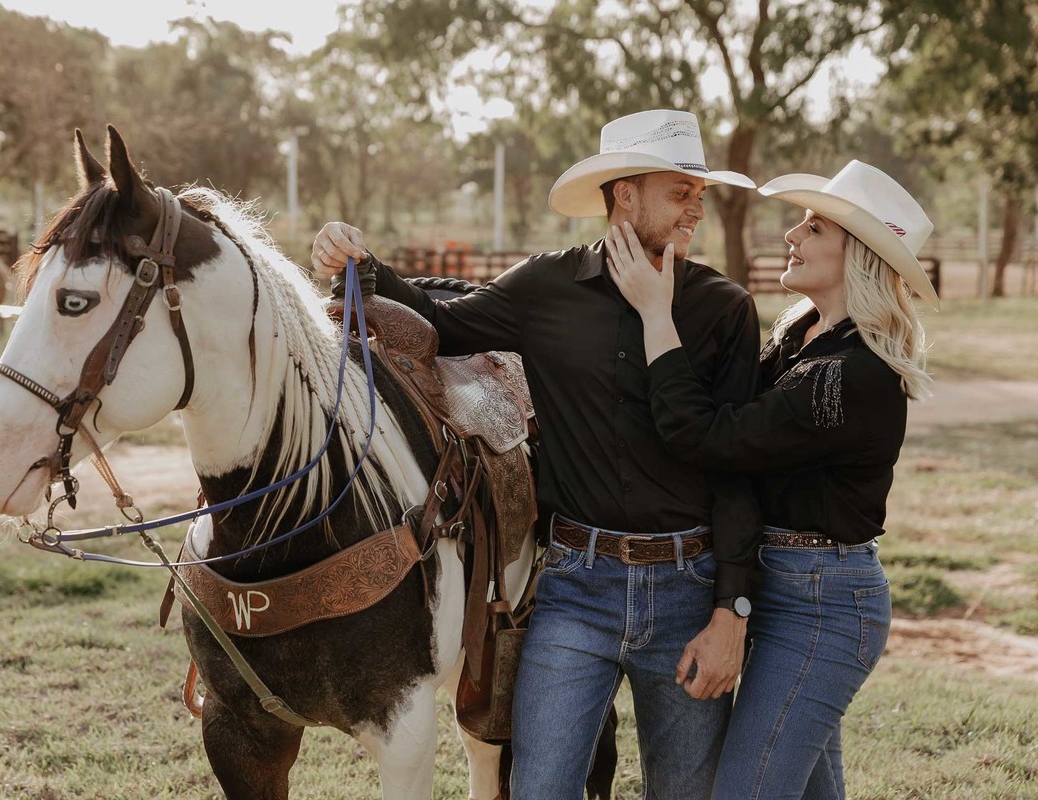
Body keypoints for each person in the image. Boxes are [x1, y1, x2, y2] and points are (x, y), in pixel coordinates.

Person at [313, 109, 764, 798]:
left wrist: (730, 612)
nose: (695, 208)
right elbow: (441, 326)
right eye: (681, 191)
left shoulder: (724, 309)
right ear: (625, 194)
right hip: (575, 590)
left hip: (687, 587)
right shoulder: (545, 285)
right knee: (538, 789)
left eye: (699, 194)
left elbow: (738, 470)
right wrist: (360, 265)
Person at [604, 159, 938, 799]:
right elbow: (723, 413)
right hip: (786, 590)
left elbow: (710, 438)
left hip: (825, 604)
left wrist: (656, 314)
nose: (792, 237)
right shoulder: (798, 337)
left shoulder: (850, 373)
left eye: (814, 228)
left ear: (859, 257)